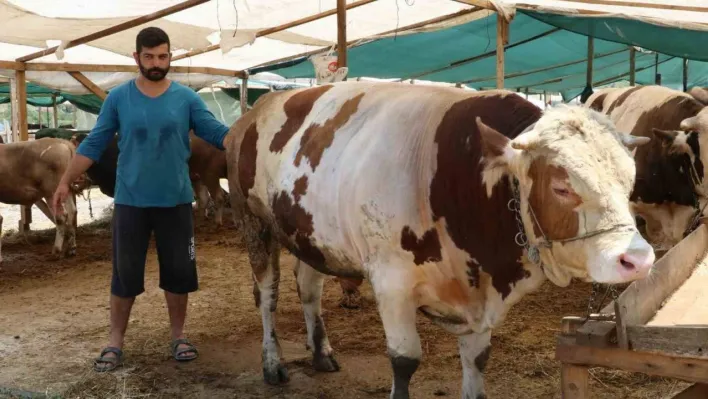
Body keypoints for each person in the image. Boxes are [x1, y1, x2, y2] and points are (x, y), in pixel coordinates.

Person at [52, 26, 230, 372]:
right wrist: (64, 181)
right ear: (137, 57)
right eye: (149, 57)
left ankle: (178, 337)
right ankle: (115, 342)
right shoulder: (119, 98)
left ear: (169, 57)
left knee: (179, 273)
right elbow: (93, 143)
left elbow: (215, 132)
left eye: (162, 56)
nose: (156, 63)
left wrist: (246, 135)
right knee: (124, 275)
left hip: (177, 202)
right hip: (131, 202)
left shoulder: (186, 99)